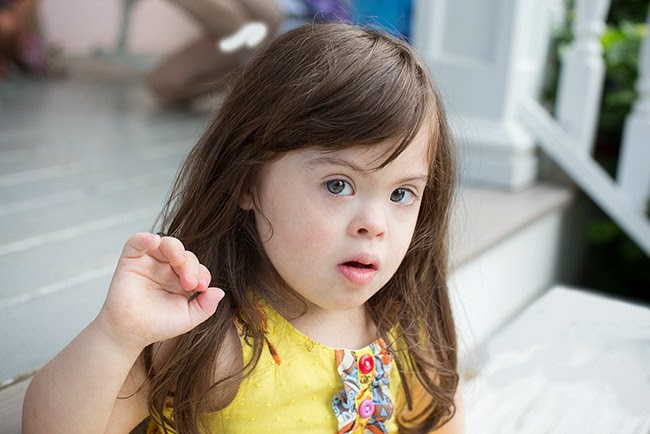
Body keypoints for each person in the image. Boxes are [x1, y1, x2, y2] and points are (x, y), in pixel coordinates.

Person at [23, 23, 463, 433]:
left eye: (402, 194)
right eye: (337, 185)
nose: (375, 225)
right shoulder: (213, 340)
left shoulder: (409, 331)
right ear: (247, 181)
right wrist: (116, 336)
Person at [147, 0, 283, 106]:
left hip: (280, 17)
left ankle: (257, 53)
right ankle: (255, 63)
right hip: (250, 34)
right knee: (164, 83)